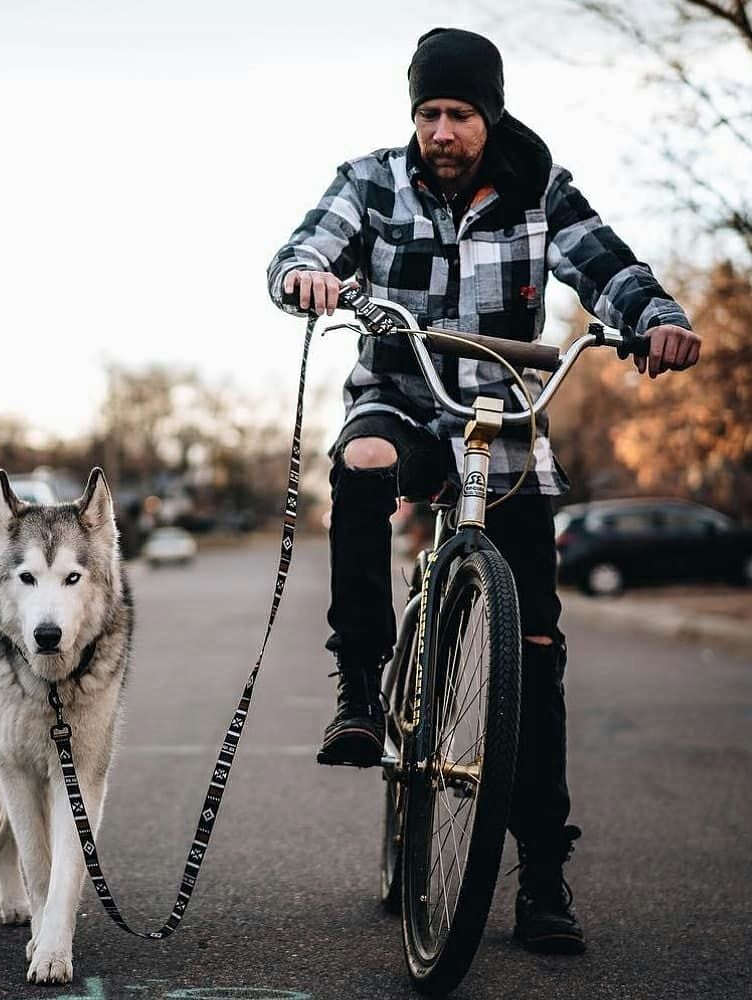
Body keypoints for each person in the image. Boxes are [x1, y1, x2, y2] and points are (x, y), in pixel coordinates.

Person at [266, 27, 700, 955]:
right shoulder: (372, 182)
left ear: (489, 117)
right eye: (428, 113)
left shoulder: (542, 190)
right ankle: (360, 687)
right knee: (362, 460)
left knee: (536, 652)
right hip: (401, 402)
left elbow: (610, 269)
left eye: (459, 114)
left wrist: (656, 319)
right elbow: (308, 245)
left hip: (505, 426)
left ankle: (541, 875)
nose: (441, 131)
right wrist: (304, 275)